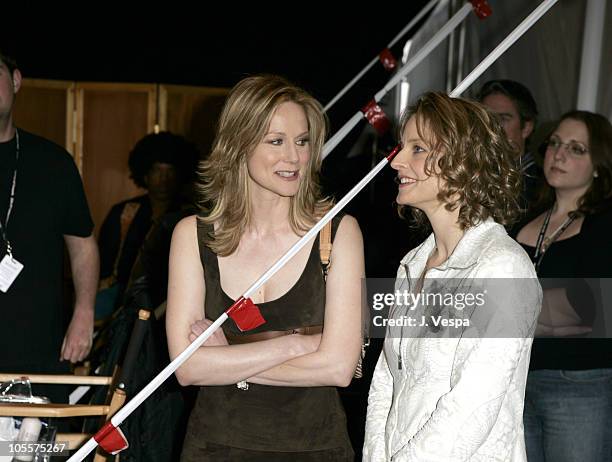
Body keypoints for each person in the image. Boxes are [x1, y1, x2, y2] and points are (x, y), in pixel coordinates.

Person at [166, 74, 364, 461]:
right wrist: (298, 344)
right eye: (276, 141)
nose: (294, 157)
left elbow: (339, 368)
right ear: (238, 145)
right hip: (213, 447)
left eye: (302, 141)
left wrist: (226, 360)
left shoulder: (340, 231)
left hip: (315, 449)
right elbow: (187, 371)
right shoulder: (191, 235)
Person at [363, 91, 542, 461]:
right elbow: (386, 383)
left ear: (465, 161)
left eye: (418, 149)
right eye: (402, 147)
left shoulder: (502, 267)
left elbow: (471, 408)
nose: (396, 162)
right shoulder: (413, 262)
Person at [0, 50, 99, 401]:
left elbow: (82, 244)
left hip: (37, 346)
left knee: (31, 452)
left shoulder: (53, 163)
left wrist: (84, 315)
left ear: (15, 81)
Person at [514, 110, 612, 461]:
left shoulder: (603, 225)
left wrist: (500, 310)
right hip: (516, 381)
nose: (559, 154)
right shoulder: (523, 219)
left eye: (576, 149)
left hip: (578, 382)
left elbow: (589, 308)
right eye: (555, 143)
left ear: (599, 164)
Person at [96, 131, 198, 318]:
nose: (164, 179)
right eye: (157, 171)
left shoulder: (190, 215)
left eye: (170, 172)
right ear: (145, 175)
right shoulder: (125, 211)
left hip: (170, 294)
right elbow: (104, 260)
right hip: (121, 292)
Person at [478, 79, 541, 209]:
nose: (492, 127)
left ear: (526, 128)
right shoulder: (473, 176)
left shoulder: (542, 189)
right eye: (485, 118)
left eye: (503, 119)